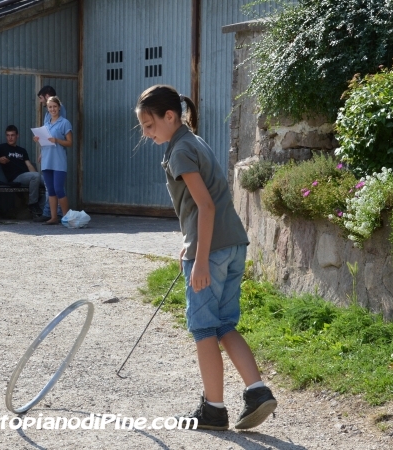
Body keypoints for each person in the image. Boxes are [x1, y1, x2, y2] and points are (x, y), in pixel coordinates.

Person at [135, 84, 277, 430]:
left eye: (150, 125)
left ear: (170, 116)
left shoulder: (180, 150)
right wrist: (193, 242)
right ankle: (257, 392)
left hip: (210, 252)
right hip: (231, 245)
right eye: (143, 128)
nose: (146, 134)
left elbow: (206, 205)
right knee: (224, 325)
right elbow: (209, 202)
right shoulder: (193, 140)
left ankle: (213, 410)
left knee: (203, 329)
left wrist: (199, 257)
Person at [0, 125, 42, 215]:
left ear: (17, 136)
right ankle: (33, 204)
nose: (10, 138)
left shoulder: (22, 150)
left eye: (12, 135)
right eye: (8, 135)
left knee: (50, 183)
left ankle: (48, 211)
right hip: (15, 178)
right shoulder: (1, 148)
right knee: (36, 177)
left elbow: (29, 165)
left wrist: (37, 177)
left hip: (27, 176)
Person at [33, 96, 72, 225]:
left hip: (59, 161)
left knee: (59, 188)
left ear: (59, 107)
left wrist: (57, 140)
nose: (52, 109)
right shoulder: (46, 124)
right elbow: (46, 142)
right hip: (46, 160)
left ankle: (66, 217)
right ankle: (54, 217)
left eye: (55, 106)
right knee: (50, 189)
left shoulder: (64, 122)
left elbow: (69, 142)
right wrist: (39, 141)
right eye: (50, 107)